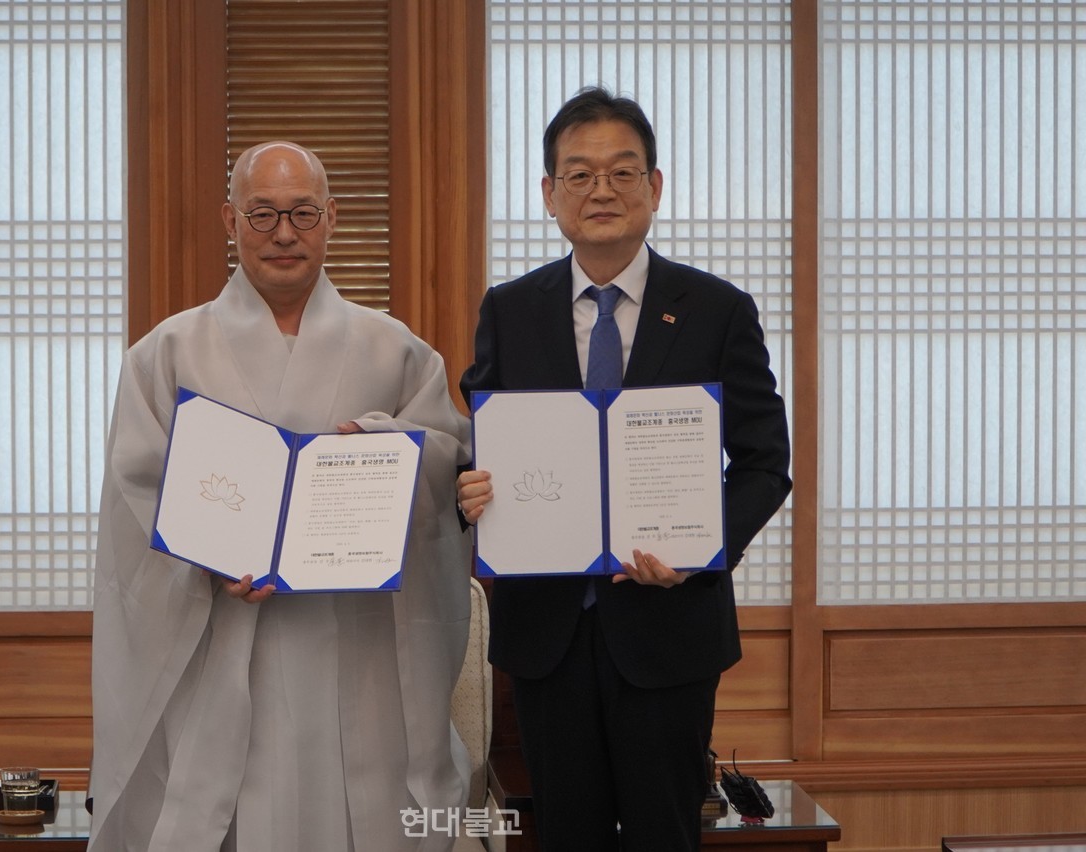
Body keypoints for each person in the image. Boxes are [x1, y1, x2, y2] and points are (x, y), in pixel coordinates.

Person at [88, 141, 475, 851]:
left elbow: (451, 465)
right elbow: (133, 492)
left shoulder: (396, 350)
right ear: (229, 221)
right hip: (222, 638)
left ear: (332, 218)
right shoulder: (166, 353)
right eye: (263, 214)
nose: (284, 233)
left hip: (356, 640)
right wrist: (202, 557)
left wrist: (389, 443)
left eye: (302, 212)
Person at [457, 87, 792, 851]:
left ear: (655, 186)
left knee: (663, 834)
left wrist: (703, 550)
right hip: (547, 635)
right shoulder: (510, 310)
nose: (600, 190)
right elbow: (487, 451)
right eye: (578, 174)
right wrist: (467, 490)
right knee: (565, 834)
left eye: (621, 171)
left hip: (669, 631)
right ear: (549, 194)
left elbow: (766, 463)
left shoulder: (715, 309)